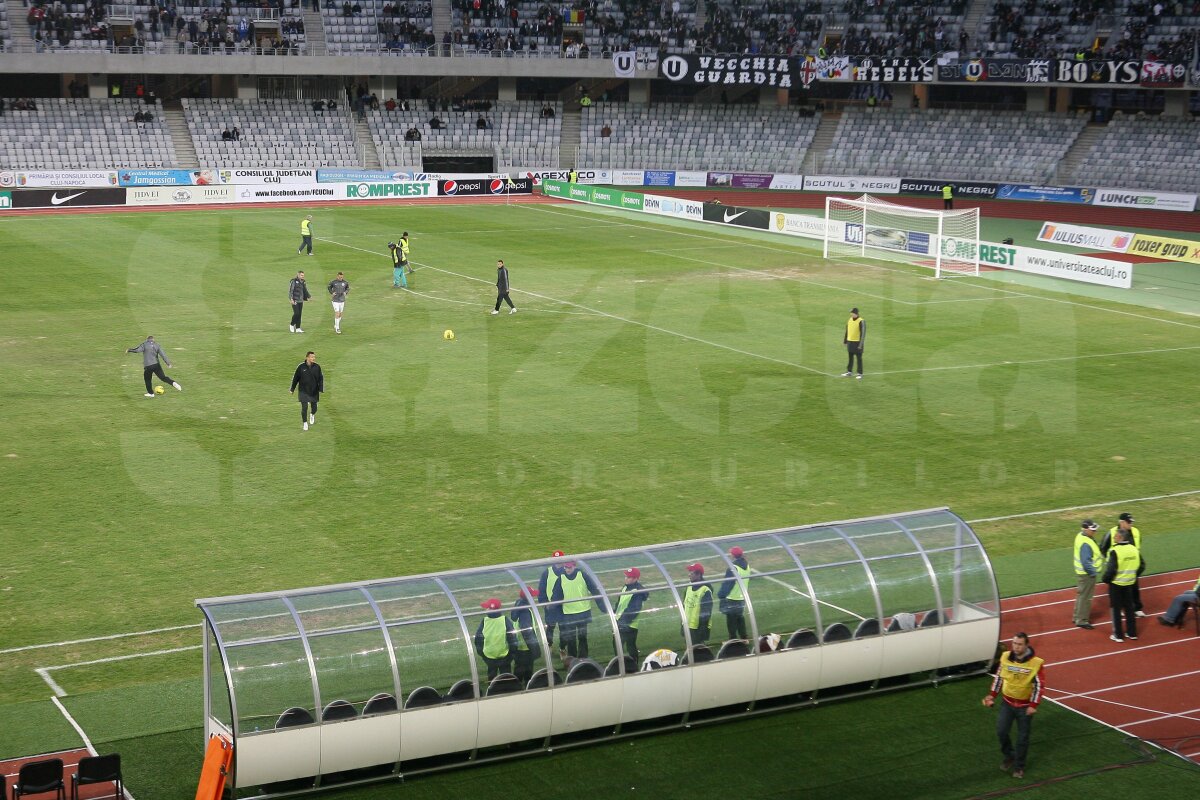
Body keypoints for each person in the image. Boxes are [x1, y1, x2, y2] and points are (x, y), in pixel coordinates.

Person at [983, 632, 1044, 779]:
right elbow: (999, 678)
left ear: (1026, 645)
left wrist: (1033, 705)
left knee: (1022, 738)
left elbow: (1039, 685)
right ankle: (1010, 755)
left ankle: (1019, 767)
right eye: (1014, 644)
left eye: (1019, 644)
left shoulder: (1036, 663)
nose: (1016, 647)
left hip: (1025, 707)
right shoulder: (1005, 658)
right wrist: (992, 695)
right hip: (1008, 703)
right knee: (1001, 732)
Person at [552, 559, 603, 661]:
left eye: (569, 567)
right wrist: (552, 609)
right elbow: (556, 596)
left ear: (574, 566)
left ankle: (583, 658)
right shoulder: (560, 579)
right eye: (566, 567)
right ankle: (573, 660)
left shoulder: (583, 575)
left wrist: (602, 605)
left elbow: (594, 589)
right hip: (568, 613)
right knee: (571, 639)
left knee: (582, 637)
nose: (567, 569)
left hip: (583, 612)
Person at [1102, 527, 1141, 643]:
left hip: (1117, 584)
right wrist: (1133, 575)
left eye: (1115, 536)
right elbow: (1141, 565)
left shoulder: (1115, 551)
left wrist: (1106, 579)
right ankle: (1132, 633)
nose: (1114, 538)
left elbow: (1111, 570)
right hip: (1129, 583)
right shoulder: (1134, 549)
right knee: (1129, 608)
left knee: (1116, 609)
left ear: (1120, 537)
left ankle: (1118, 635)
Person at [1102, 513, 1144, 616]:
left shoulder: (1136, 531)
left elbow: (1138, 546)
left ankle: (1136, 608)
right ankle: (1119, 608)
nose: (1131, 524)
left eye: (1131, 522)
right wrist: (1110, 561)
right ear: (1121, 522)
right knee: (1116, 589)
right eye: (1129, 522)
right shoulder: (1112, 532)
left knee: (1134, 587)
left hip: (1131, 565)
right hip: (1117, 566)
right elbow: (1103, 547)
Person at [473, 598, 517, 682]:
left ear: (490, 610)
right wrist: (511, 654)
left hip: (489, 656)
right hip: (504, 655)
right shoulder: (505, 620)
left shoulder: (484, 621)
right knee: (507, 678)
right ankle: (508, 691)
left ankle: (492, 691)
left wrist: (482, 654)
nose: (486, 609)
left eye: (487, 608)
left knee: (492, 678)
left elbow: (478, 639)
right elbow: (513, 639)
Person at [613, 567, 648, 665]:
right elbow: (620, 602)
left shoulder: (637, 592)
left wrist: (622, 622)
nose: (626, 578)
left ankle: (632, 664)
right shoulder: (625, 587)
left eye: (629, 577)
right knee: (618, 645)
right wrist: (614, 612)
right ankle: (621, 663)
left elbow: (634, 610)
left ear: (635, 579)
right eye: (626, 576)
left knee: (629, 646)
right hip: (620, 621)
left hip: (629, 625)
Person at [717, 546, 751, 640]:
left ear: (733, 555)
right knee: (740, 617)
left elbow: (728, 584)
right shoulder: (746, 565)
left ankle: (732, 639)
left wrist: (721, 595)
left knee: (731, 620)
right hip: (742, 597)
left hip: (732, 598)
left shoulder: (733, 568)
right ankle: (744, 637)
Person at [1072, 519, 1101, 629]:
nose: (1095, 532)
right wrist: (1093, 572)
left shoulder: (1080, 536)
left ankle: (1077, 617)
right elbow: (1086, 562)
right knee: (1086, 597)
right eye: (1092, 530)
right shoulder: (1085, 543)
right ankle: (1082, 620)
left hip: (1082, 573)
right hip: (1087, 574)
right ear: (1085, 529)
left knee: (1081, 596)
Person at [510, 588, 542, 685]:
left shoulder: (518, 604)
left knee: (519, 668)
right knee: (527, 669)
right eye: (532, 596)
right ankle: (527, 686)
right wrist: (533, 647)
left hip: (519, 644)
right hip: (526, 646)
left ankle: (517, 685)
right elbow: (526, 630)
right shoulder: (525, 611)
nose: (534, 598)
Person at [537, 550, 567, 652]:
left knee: (564, 628)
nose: (558, 561)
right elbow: (542, 588)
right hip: (551, 606)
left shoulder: (567, 570)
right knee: (550, 627)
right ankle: (549, 646)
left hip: (564, 606)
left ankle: (562, 648)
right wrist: (544, 603)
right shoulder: (547, 572)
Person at [289, 350, 324, 431]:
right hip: (303, 391)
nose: (314, 358)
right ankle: (305, 423)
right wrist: (292, 389)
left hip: (314, 390)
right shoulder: (301, 367)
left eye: (314, 357)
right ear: (307, 357)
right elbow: (295, 379)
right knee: (304, 407)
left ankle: (312, 414)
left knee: (314, 407)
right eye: (312, 357)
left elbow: (320, 378)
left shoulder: (317, 367)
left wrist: (321, 388)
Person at [682, 563, 713, 645]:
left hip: (698, 627)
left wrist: (702, 629)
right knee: (690, 649)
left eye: (691, 573)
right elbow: (684, 606)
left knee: (699, 650)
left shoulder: (705, 590)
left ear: (698, 575)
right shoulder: (689, 587)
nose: (689, 575)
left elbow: (706, 612)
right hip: (687, 625)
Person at [842, 307, 865, 379]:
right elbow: (847, 330)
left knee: (859, 358)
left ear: (855, 313)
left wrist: (860, 345)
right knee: (850, 358)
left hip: (857, 343)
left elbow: (863, 333)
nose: (850, 314)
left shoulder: (861, 321)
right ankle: (849, 372)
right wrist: (845, 341)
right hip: (850, 342)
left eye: (852, 313)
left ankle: (860, 373)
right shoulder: (849, 320)